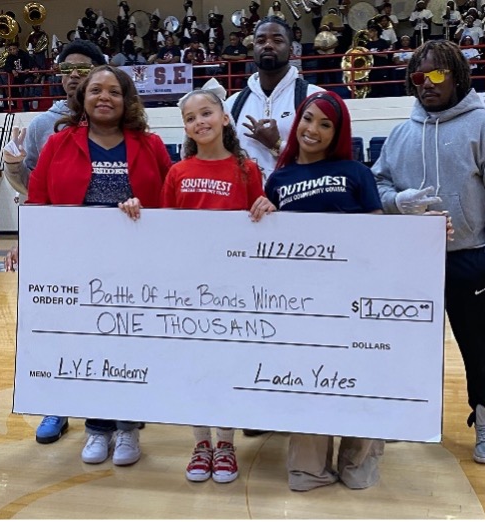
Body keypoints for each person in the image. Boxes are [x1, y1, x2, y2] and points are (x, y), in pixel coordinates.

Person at [6, 65, 172, 466]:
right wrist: (26, 244)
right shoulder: (60, 144)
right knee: (90, 346)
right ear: (83, 98)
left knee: (130, 346)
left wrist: (146, 215)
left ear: (126, 99)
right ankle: (98, 427)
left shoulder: (150, 145)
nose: (104, 97)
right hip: (78, 267)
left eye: (114, 91)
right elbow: (40, 200)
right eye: (96, 90)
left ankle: (129, 427)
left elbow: (169, 204)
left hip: (137, 268)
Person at [372, 40, 485, 465]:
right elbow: (377, 185)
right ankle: (407, 414)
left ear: (457, 75)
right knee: (405, 344)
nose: (427, 84)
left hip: (467, 256)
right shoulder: (401, 134)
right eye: (419, 77)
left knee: (480, 348)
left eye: (437, 74)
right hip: (409, 259)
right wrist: (397, 201)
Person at [120, 85, 274, 482]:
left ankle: (225, 443)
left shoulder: (245, 169)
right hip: (187, 290)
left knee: (225, 365)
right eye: (190, 118)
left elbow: (258, 221)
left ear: (224, 118)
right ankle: (200, 442)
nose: (199, 122)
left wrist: (267, 206)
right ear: (185, 129)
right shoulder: (178, 172)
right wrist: (135, 209)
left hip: (232, 290)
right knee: (193, 367)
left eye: (206, 113)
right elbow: (164, 228)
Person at [265, 91, 384, 491]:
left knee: (359, 377)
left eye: (325, 124)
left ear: (338, 133)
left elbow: (384, 235)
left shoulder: (356, 173)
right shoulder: (278, 180)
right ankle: (307, 468)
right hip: (301, 302)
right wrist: (261, 212)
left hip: (353, 297)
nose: (312, 130)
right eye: (308, 119)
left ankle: (358, 459)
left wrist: (429, 231)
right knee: (309, 380)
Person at [224, 15, 323, 182]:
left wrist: (277, 144)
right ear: (253, 47)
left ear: (291, 51)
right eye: (261, 41)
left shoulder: (315, 98)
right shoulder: (232, 104)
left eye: (277, 40)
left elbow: (328, 163)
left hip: (297, 204)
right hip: (247, 205)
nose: (268, 45)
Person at [3, 40, 106, 196]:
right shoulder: (41, 124)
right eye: (67, 68)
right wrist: (13, 166)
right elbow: (33, 186)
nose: (74, 74)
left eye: (83, 68)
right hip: (60, 216)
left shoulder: (111, 121)